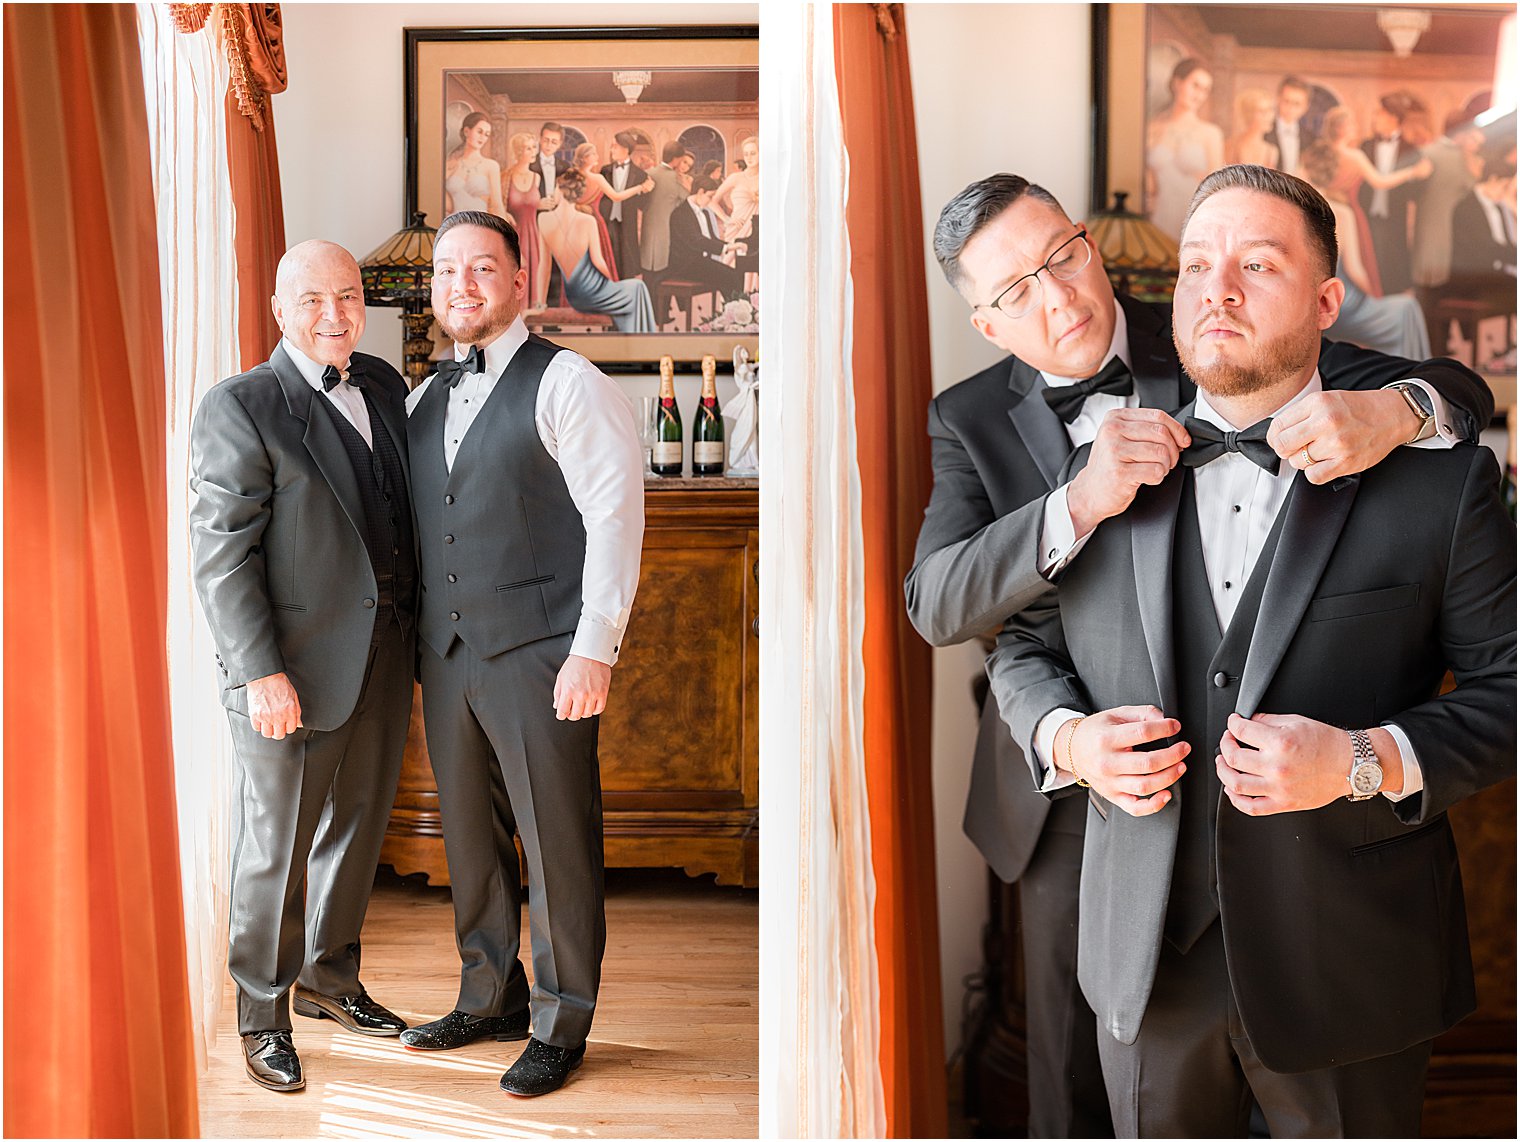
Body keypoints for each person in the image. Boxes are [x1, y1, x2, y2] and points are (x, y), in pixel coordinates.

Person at [907, 171, 1493, 1139]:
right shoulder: (979, 425)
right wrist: (1065, 728)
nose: (1057, 295)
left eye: (1063, 256)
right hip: (1087, 828)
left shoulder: (1214, 325)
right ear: (985, 320)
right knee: (1063, 1069)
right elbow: (958, 610)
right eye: (1016, 289)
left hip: (1332, 922)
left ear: (1090, 245)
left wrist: (1395, 415)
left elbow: (1437, 387)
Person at [400, 210, 644, 1097]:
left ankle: (562, 1018)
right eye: (446, 271)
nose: (460, 285)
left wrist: (595, 650)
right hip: (450, 649)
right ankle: (489, 994)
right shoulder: (424, 396)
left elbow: (615, 519)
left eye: (481, 269)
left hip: (543, 648)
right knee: (471, 838)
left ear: (518, 281)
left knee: (556, 840)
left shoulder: (568, 382)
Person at [189, 240, 417, 1092]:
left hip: (386, 655)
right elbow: (221, 558)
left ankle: (330, 977)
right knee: (275, 847)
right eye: (315, 299)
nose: (336, 314)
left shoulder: (387, 386)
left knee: (358, 830)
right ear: (281, 309)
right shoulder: (241, 405)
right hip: (287, 669)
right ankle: (261, 1010)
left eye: (350, 297)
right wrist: (259, 673)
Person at [1302, 141, 1431, 358]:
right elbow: (1355, 270)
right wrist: (1375, 296)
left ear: (1306, 169)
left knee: (1406, 307)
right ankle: (1412, 378)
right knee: (1406, 308)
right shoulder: (1341, 213)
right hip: (1343, 304)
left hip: (1323, 303)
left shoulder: (1298, 212)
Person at [1320, 105, 1433, 297]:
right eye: (1353, 124)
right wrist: (1412, 172)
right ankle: (1369, 300)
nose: (1358, 127)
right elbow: (1380, 181)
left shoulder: (1323, 152)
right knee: (1354, 263)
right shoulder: (1356, 154)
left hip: (1326, 211)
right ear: (1341, 128)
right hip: (1350, 214)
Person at [541, 169, 656, 333]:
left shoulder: (543, 219)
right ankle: (639, 344)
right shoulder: (588, 221)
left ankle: (635, 342)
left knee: (636, 289)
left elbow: (543, 267)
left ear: (559, 189)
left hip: (573, 296)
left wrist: (540, 303)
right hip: (593, 292)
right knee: (638, 288)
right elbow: (598, 261)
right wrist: (611, 284)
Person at [1145, 59, 1225, 239]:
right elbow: (1147, 183)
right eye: (1195, 85)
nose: (1199, 95)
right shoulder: (1152, 129)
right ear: (1177, 83)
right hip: (1159, 217)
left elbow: (1218, 188)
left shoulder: (1210, 133)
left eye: (1205, 90)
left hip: (1195, 220)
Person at [1359, 92, 1428, 294]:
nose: (1375, 118)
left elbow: (1416, 193)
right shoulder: (1366, 146)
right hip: (1365, 216)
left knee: (1393, 268)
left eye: (1379, 114)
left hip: (1395, 218)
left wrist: (1419, 176)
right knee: (1367, 264)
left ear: (1393, 118)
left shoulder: (1411, 151)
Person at [1411, 113, 1486, 288]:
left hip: (1450, 226)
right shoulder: (1433, 153)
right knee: (1432, 278)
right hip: (1435, 223)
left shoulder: (1438, 152)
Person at [572, 140, 653, 281]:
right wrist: (641, 187)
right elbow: (617, 196)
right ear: (585, 158)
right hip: (595, 222)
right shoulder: (598, 177)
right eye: (594, 154)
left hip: (575, 223)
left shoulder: (571, 175)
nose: (598, 156)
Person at [668, 174, 746, 300]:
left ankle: (734, 311)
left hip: (699, 262)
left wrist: (729, 244)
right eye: (709, 197)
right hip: (685, 265)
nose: (710, 201)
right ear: (700, 192)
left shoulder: (704, 212)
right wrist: (728, 247)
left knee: (735, 275)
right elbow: (696, 242)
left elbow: (711, 239)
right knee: (729, 276)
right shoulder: (681, 213)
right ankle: (735, 312)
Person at [1451, 149, 1518, 278]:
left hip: (1502, 274)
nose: (1504, 192)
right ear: (1493, 179)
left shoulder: (1499, 206)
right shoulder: (1466, 207)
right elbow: (1485, 248)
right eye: (1504, 186)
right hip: (1478, 277)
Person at [504, 131, 549, 312]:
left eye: (534, 148)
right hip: (512, 236)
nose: (533, 152)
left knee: (534, 276)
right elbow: (497, 206)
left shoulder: (536, 177)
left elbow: (531, 204)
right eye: (528, 148)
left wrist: (541, 205)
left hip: (534, 236)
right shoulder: (504, 177)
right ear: (518, 151)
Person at [599, 131, 650, 284]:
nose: (611, 150)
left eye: (615, 146)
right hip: (607, 221)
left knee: (627, 264)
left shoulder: (640, 174)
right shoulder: (605, 170)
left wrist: (646, 190)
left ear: (626, 149)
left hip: (628, 224)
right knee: (607, 260)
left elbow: (643, 204)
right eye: (612, 146)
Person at [639, 141, 693, 277]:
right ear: (676, 159)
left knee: (648, 274)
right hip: (667, 232)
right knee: (663, 275)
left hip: (647, 230)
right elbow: (687, 200)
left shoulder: (647, 173)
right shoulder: (676, 178)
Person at [444, 112, 505, 219]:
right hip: (453, 227)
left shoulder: (491, 166)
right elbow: (437, 199)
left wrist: (506, 233)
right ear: (467, 131)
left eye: (486, 134)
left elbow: (497, 205)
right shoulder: (450, 165)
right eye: (479, 132)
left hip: (480, 225)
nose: (482, 137)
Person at [711, 136, 760, 244]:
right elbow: (712, 201)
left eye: (753, 153)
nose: (749, 158)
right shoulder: (735, 178)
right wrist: (727, 219)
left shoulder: (767, 178)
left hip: (760, 229)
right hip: (737, 229)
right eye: (746, 154)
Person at [1265, 75, 1316, 177]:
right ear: (1278, 99)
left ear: (1306, 107)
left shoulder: (1311, 139)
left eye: (1297, 104)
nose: (1290, 108)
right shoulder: (1265, 133)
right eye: (1286, 101)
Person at [1225, 88, 1278, 168]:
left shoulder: (1271, 151)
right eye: (1263, 112)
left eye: (1270, 110)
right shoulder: (1231, 146)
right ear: (1249, 115)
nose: (1269, 117)